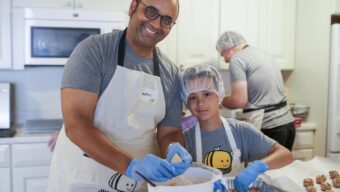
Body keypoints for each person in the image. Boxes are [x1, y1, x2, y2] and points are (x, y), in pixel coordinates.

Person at [47, 0, 192, 191]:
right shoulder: (94, 51)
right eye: (150, 12)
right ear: (133, 7)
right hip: (84, 180)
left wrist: (173, 150)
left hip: (136, 184)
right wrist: (130, 166)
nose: (156, 24)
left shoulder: (170, 73)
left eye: (166, 20)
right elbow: (76, 123)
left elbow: (169, 132)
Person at [179, 64, 293, 192]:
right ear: (186, 102)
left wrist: (258, 166)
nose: (200, 103)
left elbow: (286, 155)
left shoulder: (241, 131)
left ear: (219, 95)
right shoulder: (185, 139)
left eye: (206, 94)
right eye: (192, 97)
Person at [216, 31, 296, 151]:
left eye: (222, 54)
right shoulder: (263, 53)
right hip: (288, 125)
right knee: (281, 169)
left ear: (228, 48)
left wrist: (220, 101)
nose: (224, 60)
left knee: (264, 170)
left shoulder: (237, 59)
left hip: (270, 128)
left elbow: (239, 101)